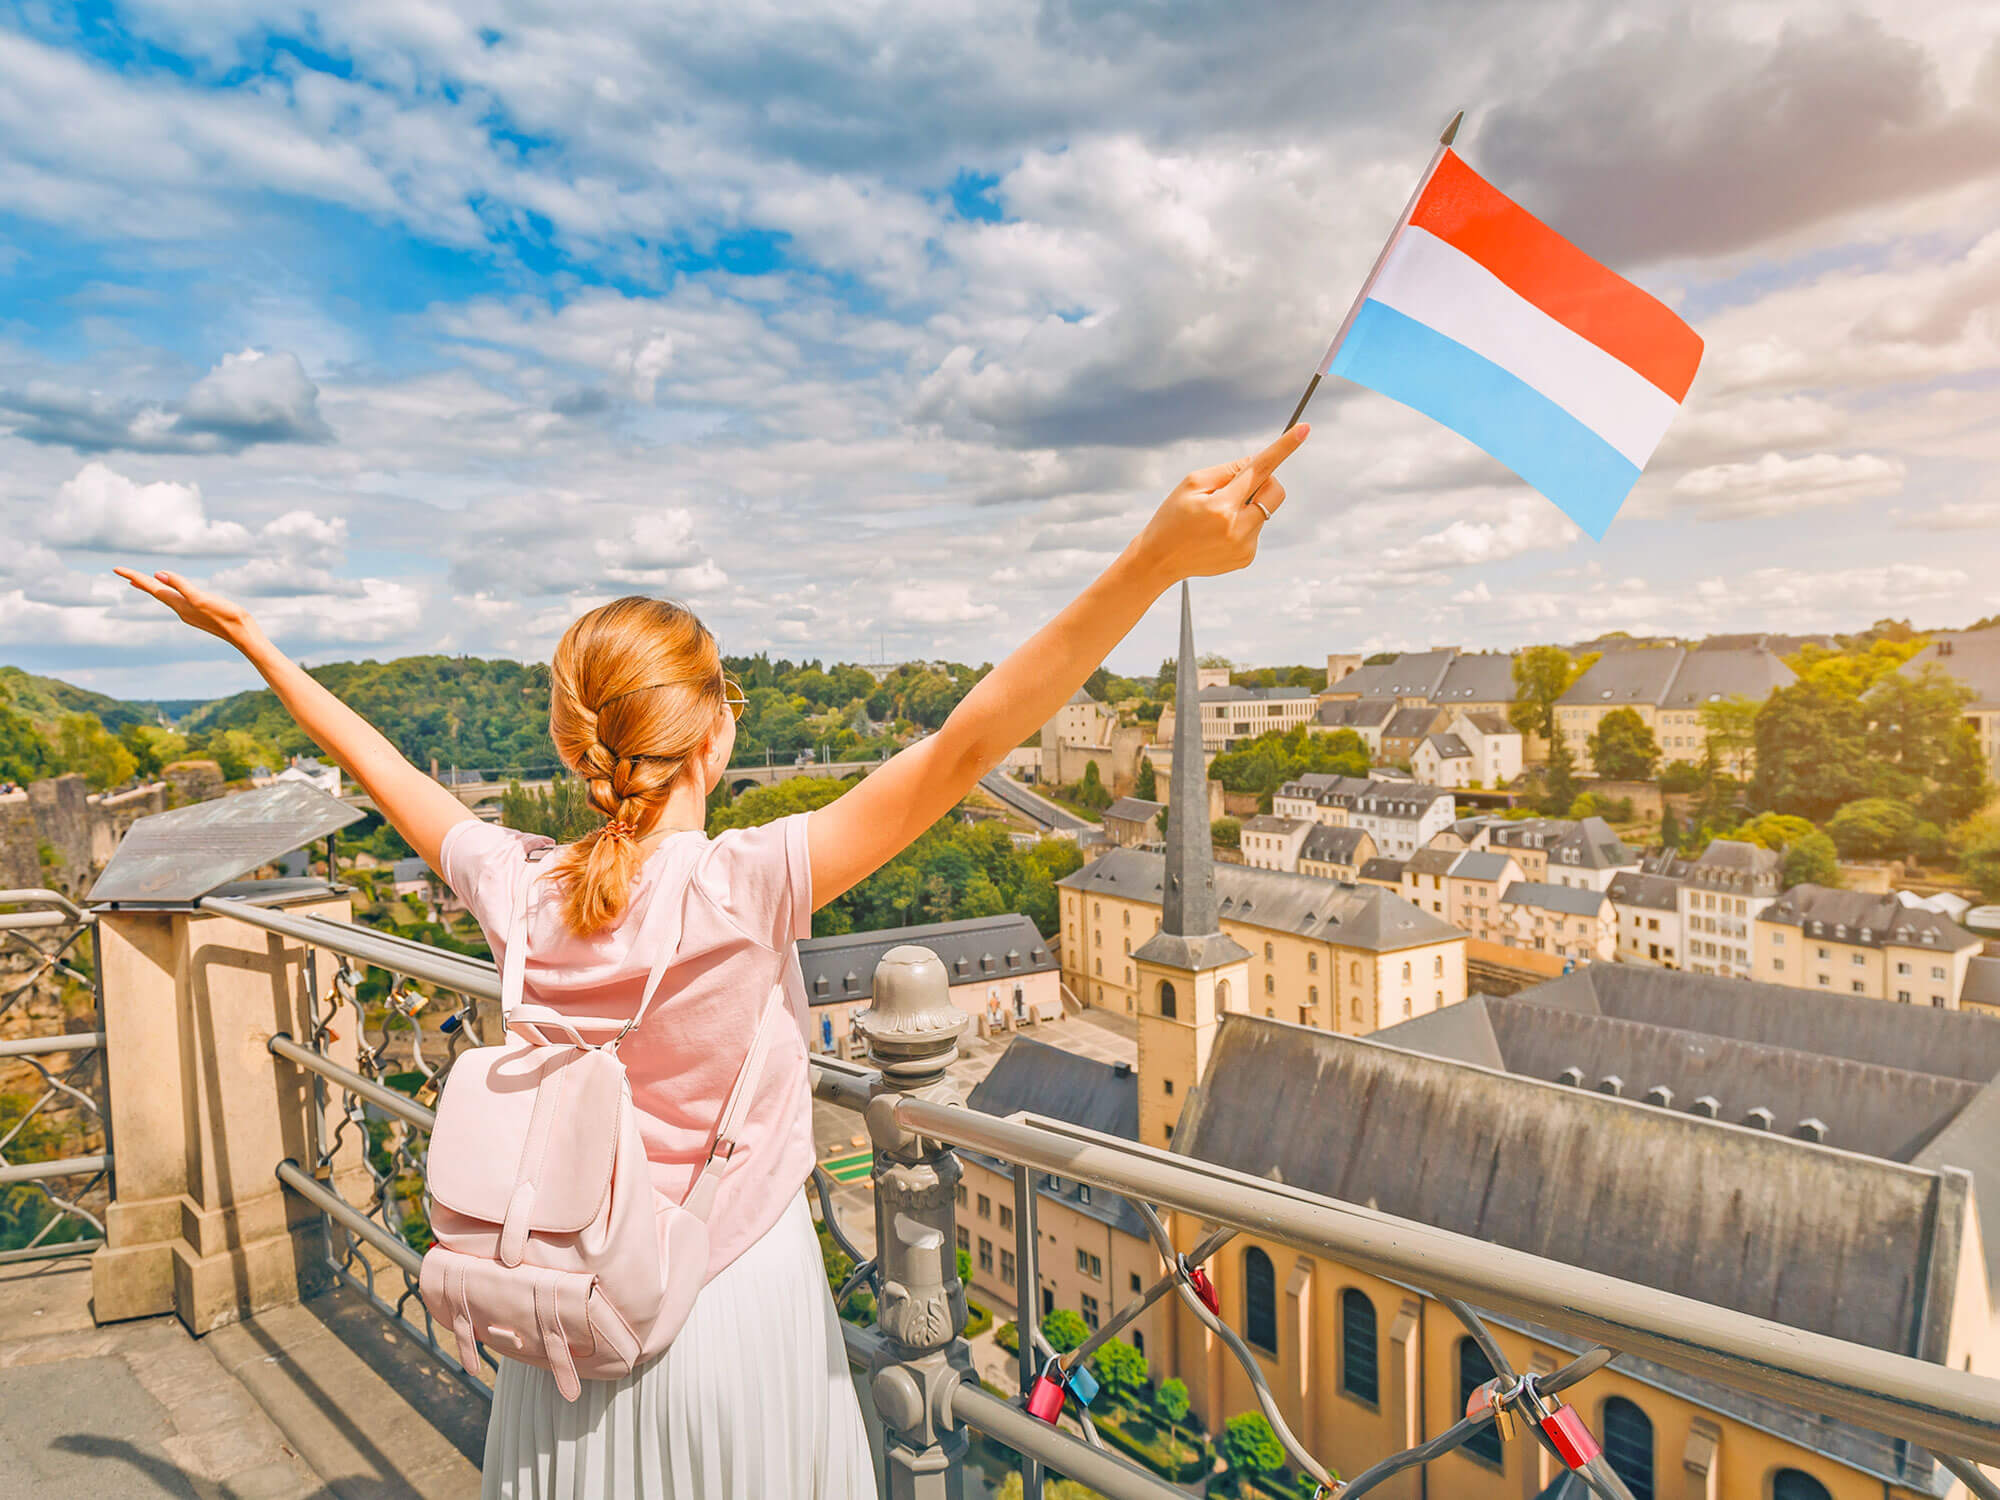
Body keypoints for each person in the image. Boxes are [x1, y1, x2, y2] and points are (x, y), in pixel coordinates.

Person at [114, 420, 1307, 1499]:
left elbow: (390, 775)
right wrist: (1151, 560)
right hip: (728, 1307)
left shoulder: (520, 890)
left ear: (580, 746)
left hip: (564, 1323)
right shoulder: (743, 887)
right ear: (719, 726)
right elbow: (968, 740)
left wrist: (259, 648)